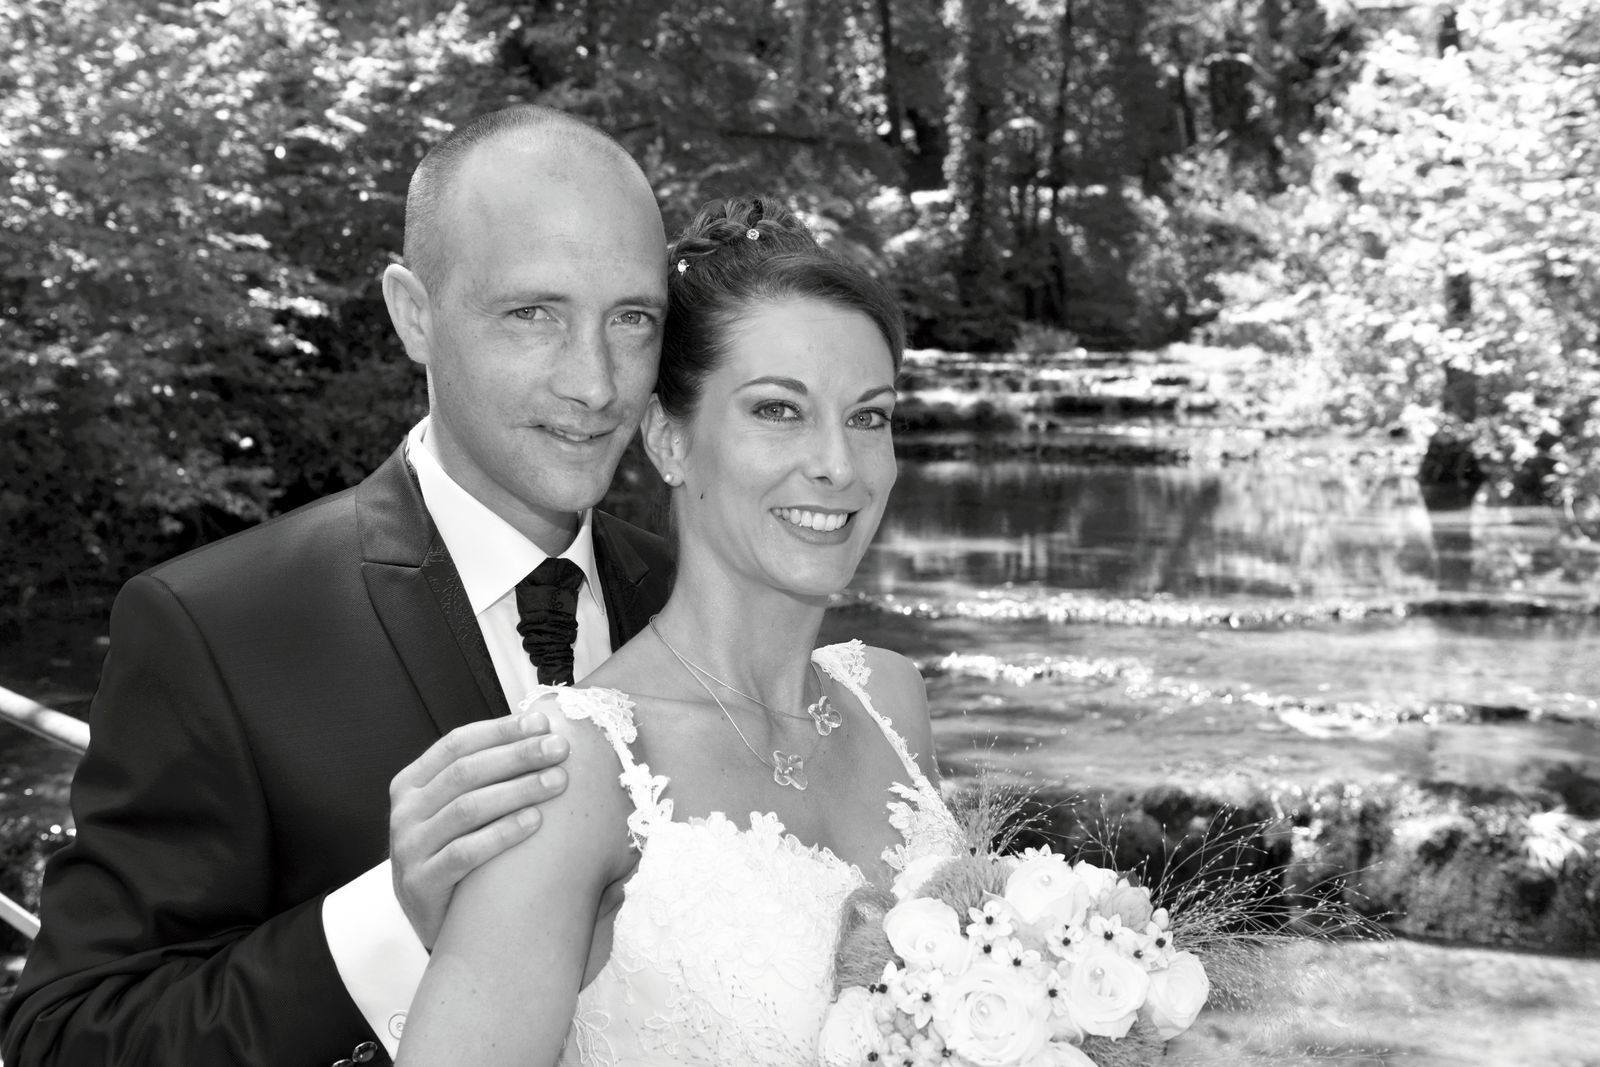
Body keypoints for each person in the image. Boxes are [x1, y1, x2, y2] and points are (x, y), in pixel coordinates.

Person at [1, 105, 675, 1067]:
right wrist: (390, 921)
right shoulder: (216, 626)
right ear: (413, 314)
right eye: (534, 313)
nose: (597, 383)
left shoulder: (696, 602)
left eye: (632, 319)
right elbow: (59, 1039)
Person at [393, 197, 967, 1066]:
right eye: (778, 410)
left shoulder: (891, 697)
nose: (838, 464)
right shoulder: (573, 770)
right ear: (668, 439)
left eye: (869, 416)